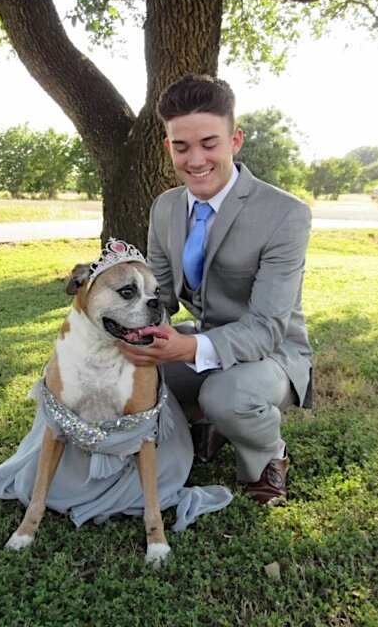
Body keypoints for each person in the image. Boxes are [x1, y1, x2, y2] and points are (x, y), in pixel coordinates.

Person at [117, 74, 312, 505]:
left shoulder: (286, 214)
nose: (196, 159)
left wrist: (185, 349)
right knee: (123, 369)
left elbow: (266, 327)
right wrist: (127, 329)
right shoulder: (165, 207)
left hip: (274, 353)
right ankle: (202, 424)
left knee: (225, 395)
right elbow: (160, 297)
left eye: (209, 143)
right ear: (168, 147)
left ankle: (269, 454)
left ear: (235, 140)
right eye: (182, 147)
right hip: (204, 340)